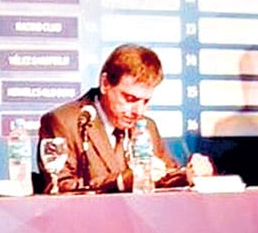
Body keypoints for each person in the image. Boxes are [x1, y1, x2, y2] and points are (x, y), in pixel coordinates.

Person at [38, 44, 214, 193]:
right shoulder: (64, 122)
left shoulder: (146, 127)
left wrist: (188, 175)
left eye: (145, 101)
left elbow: (162, 178)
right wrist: (121, 181)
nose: (138, 111)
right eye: (130, 99)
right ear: (105, 84)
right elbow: (58, 187)